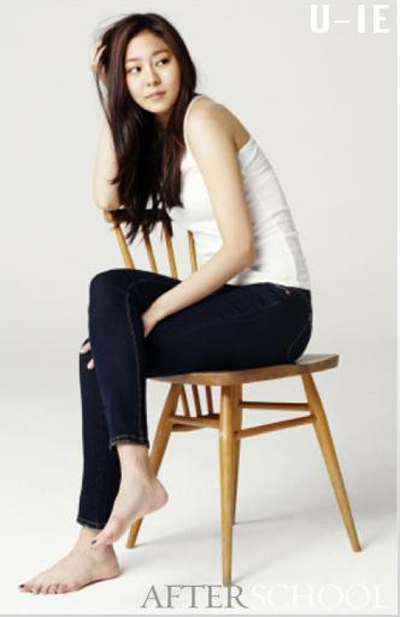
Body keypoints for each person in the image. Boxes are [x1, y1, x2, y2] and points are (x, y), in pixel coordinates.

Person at [19, 12, 313, 594]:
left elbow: (239, 248)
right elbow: (104, 195)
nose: (150, 78)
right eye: (132, 70)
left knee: (103, 351)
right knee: (109, 288)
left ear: (181, 62)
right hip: (227, 300)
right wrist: (107, 96)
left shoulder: (203, 118)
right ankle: (134, 478)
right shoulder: (155, 136)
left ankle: (92, 542)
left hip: (277, 307)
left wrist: (154, 313)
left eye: (161, 61)